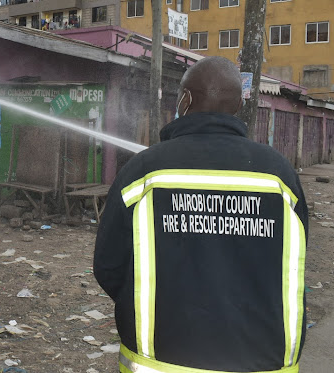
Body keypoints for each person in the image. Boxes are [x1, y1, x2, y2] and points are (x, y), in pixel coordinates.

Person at [94, 56, 308, 373]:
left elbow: (108, 266)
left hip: (160, 359)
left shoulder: (144, 171)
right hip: (261, 359)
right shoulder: (279, 176)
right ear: (237, 106)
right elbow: (293, 264)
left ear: (186, 99)